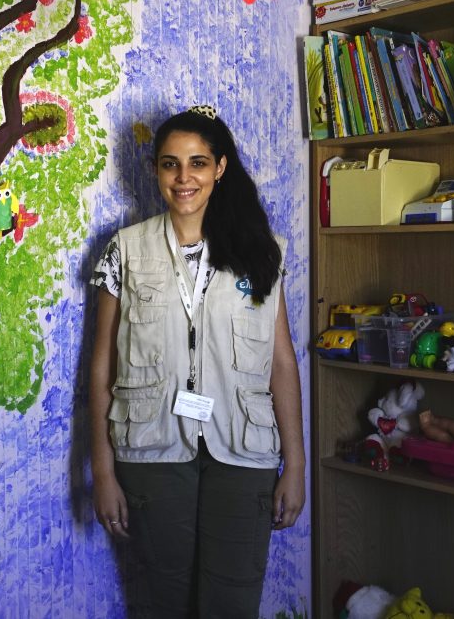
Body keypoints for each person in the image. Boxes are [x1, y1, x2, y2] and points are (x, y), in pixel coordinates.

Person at [89, 105, 305, 618]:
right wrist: (101, 470)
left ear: (220, 168)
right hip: (151, 453)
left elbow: (282, 362)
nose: (184, 178)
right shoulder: (125, 250)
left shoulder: (262, 252)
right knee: (167, 602)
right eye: (170, 164)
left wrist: (294, 463)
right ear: (156, 171)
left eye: (198, 163)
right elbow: (101, 367)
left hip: (244, 452)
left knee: (231, 601)